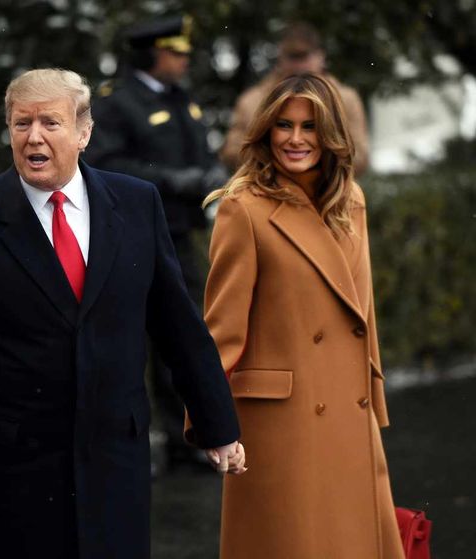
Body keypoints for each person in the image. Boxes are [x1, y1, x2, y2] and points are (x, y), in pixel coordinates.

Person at [0, 68, 244, 559]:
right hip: (4, 473)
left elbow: (177, 326)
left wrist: (217, 424)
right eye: (21, 124)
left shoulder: (136, 204)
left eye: (50, 123)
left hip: (114, 462)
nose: (33, 137)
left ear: (84, 132)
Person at [195, 73, 404, 558]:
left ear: (330, 133)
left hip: (350, 414)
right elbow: (222, 330)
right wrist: (211, 422)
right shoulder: (242, 209)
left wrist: (373, 399)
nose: (295, 139)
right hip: (281, 427)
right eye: (283, 125)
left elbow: (362, 314)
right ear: (265, 131)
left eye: (310, 127)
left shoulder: (351, 200)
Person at [85, 15, 230, 470]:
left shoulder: (180, 98)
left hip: (180, 232)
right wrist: (174, 179)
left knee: (182, 333)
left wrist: (209, 177)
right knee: (128, 340)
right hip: (131, 235)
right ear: (152, 52)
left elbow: (200, 152)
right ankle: (128, 440)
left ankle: (183, 436)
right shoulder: (116, 102)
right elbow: (106, 163)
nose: (184, 60)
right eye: (176, 51)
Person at [221, 21, 370, 176]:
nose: (298, 65)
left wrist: (311, 164)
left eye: (304, 56)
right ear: (280, 57)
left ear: (321, 57)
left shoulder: (346, 99)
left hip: (330, 194)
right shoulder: (252, 100)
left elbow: (360, 157)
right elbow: (231, 153)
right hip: (266, 191)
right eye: (292, 57)